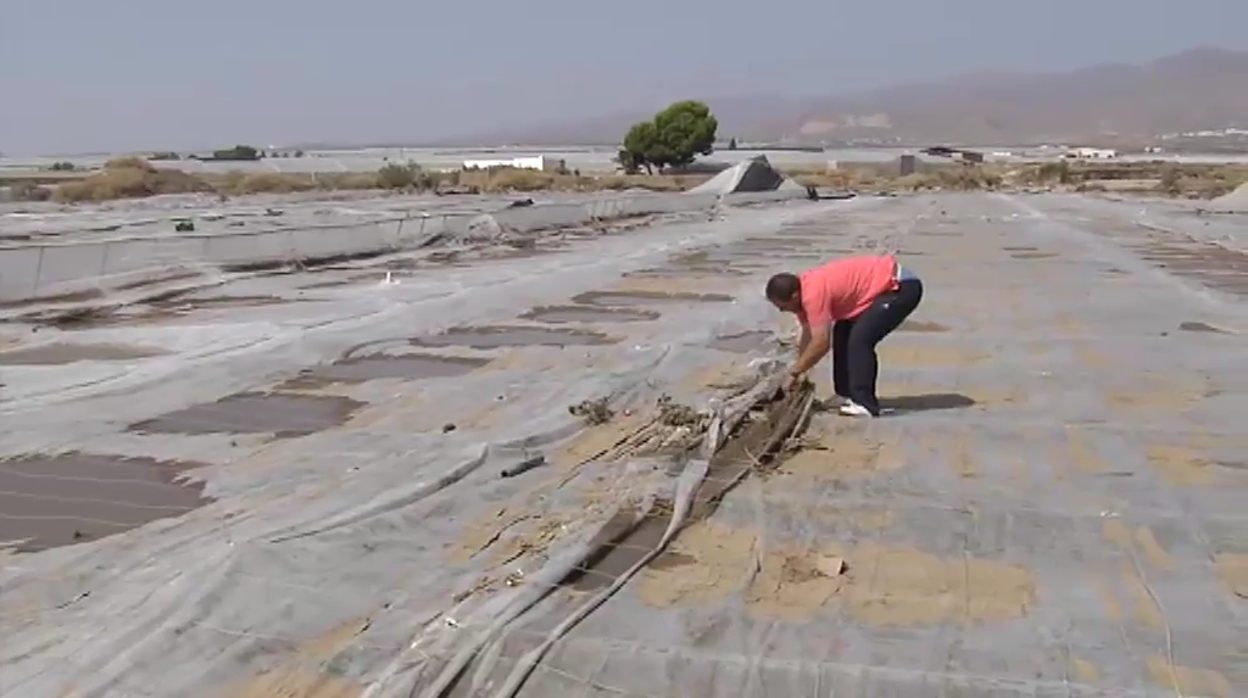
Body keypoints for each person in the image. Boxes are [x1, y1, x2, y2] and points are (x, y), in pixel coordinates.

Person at [764, 253, 923, 417]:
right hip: (879, 289)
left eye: (782, 306)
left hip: (900, 287)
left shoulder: (813, 295)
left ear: (794, 296)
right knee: (842, 332)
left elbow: (821, 343)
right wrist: (801, 371)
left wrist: (794, 372)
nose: (782, 310)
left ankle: (865, 403)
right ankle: (845, 394)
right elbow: (809, 334)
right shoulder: (802, 293)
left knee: (860, 340)